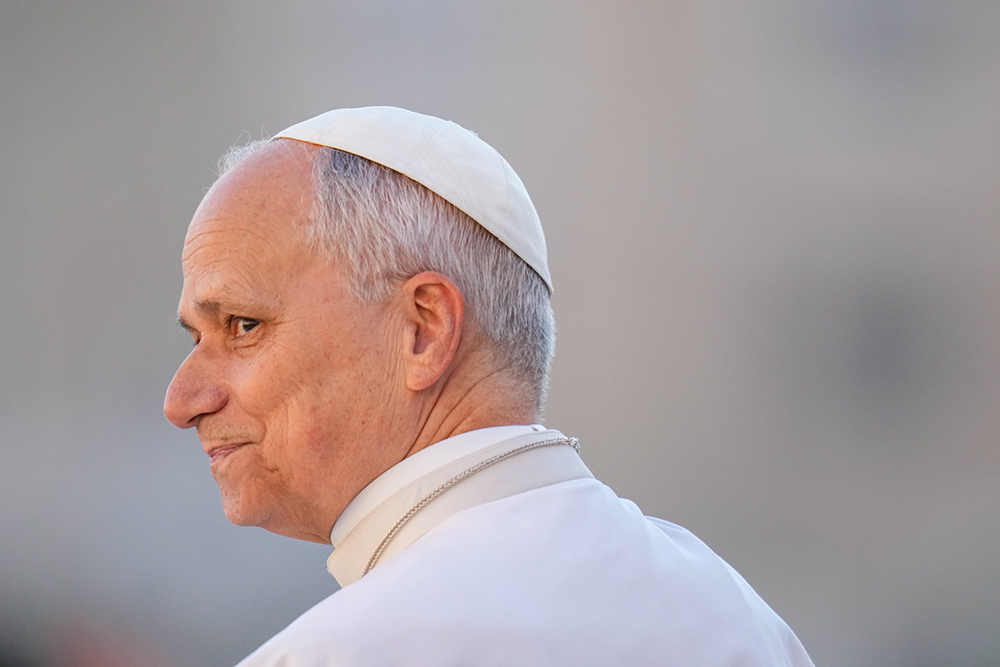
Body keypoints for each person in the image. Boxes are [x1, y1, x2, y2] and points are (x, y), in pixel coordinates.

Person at [164, 106, 814, 666]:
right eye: (196, 338)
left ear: (424, 329)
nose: (183, 400)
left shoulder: (334, 655)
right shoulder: (740, 620)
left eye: (243, 325)